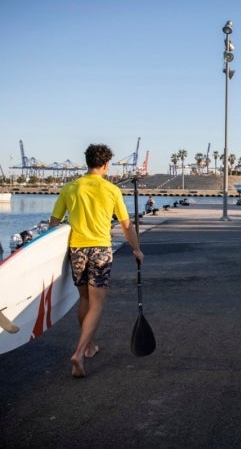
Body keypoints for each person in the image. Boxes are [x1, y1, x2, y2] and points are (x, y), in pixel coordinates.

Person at [49, 143, 144, 378]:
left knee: (83, 299)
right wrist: (136, 249)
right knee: (97, 303)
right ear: (105, 164)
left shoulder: (70, 188)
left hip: (77, 250)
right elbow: (126, 225)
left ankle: (89, 346)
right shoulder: (111, 190)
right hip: (101, 250)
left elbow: (53, 223)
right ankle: (80, 352)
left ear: (87, 162)